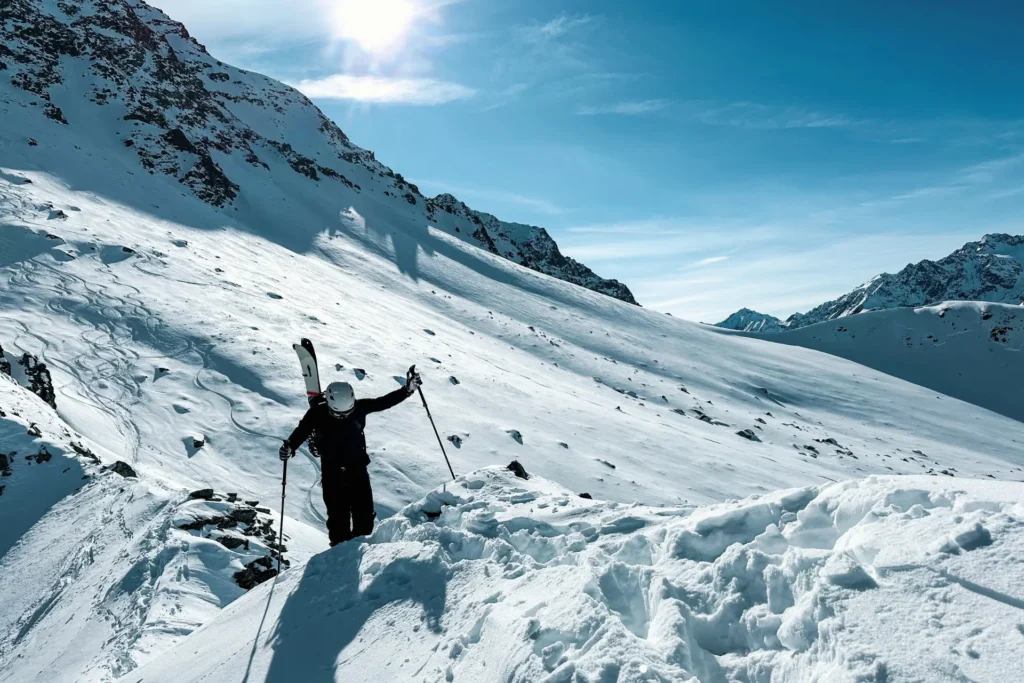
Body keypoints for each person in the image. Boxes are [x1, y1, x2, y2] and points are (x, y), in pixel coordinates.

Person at [279, 367, 422, 546]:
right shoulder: (317, 413)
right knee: (338, 524)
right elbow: (302, 430)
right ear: (330, 405)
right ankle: (339, 560)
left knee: (365, 520)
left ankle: (360, 553)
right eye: (337, 413)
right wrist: (290, 446)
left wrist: (407, 390)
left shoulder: (359, 408)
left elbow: (383, 402)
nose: (342, 416)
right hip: (332, 474)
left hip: (357, 471)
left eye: (346, 412)